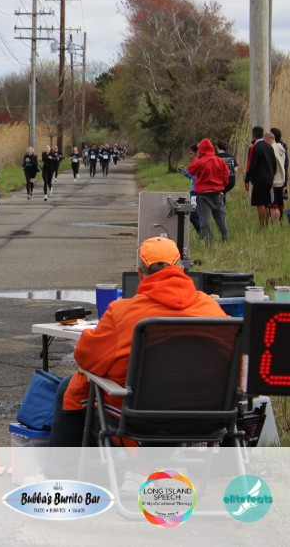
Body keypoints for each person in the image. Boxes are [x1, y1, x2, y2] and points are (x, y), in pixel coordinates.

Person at [48, 237, 227, 446]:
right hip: (207, 416)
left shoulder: (122, 312)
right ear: (181, 270)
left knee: (68, 387)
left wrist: (92, 335)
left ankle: (63, 465)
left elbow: (86, 358)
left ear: (140, 273)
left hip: (139, 417)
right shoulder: (211, 308)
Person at [184, 139, 229, 242]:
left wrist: (196, 158)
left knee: (205, 220)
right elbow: (226, 176)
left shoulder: (200, 162)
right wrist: (221, 185)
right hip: (217, 193)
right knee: (221, 218)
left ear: (201, 150)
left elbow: (191, 170)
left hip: (204, 195)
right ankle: (225, 238)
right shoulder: (220, 161)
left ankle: (208, 240)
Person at [244, 125, 277, 228]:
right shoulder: (269, 147)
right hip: (269, 180)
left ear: (253, 135)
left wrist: (247, 179)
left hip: (259, 180)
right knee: (266, 204)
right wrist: (272, 176)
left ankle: (262, 227)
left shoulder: (254, 147)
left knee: (260, 204)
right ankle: (266, 226)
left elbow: (251, 164)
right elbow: (274, 164)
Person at [267, 129, 287, 225]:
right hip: (281, 181)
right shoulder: (281, 149)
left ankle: (275, 225)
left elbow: (271, 165)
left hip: (274, 181)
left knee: (273, 206)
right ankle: (278, 224)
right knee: (279, 205)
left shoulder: (272, 149)